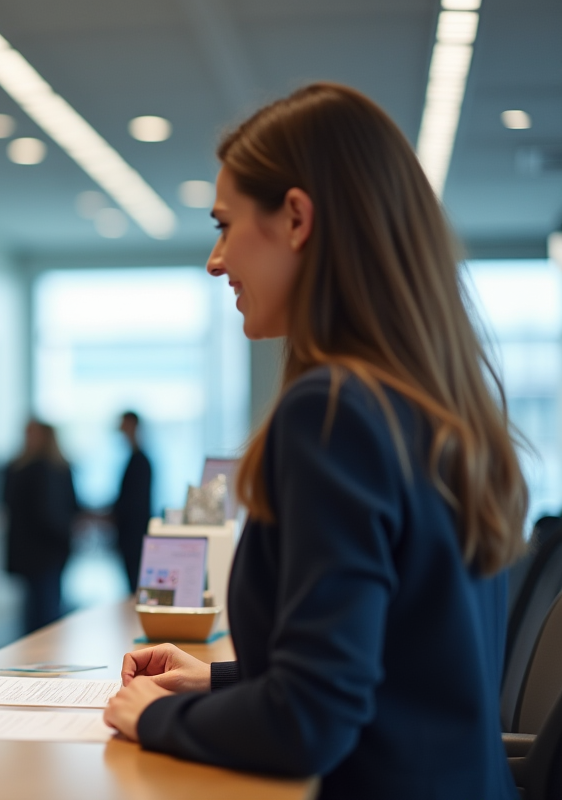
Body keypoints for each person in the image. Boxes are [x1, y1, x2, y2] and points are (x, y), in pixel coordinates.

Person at [103, 83, 525, 799]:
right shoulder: (432, 401)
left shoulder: (333, 412)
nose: (215, 261)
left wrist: (162, 716)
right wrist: (220, 681)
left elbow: (310, 722)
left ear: (296, 218)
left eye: (225, 225)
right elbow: (403, 664)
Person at [4, 420, 78, 633]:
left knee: (46, 609)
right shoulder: (20, 469)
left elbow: (64, 508)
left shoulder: (50, 469)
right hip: (36, 551)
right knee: (39, 609)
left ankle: (43, 657)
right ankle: (37, 658)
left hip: (48, 550)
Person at [113, 411, 152, 589]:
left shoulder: (140, 461)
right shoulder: (134, 459)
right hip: (130, 537)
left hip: (135, 538)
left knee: (136, 587)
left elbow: (133, 504)